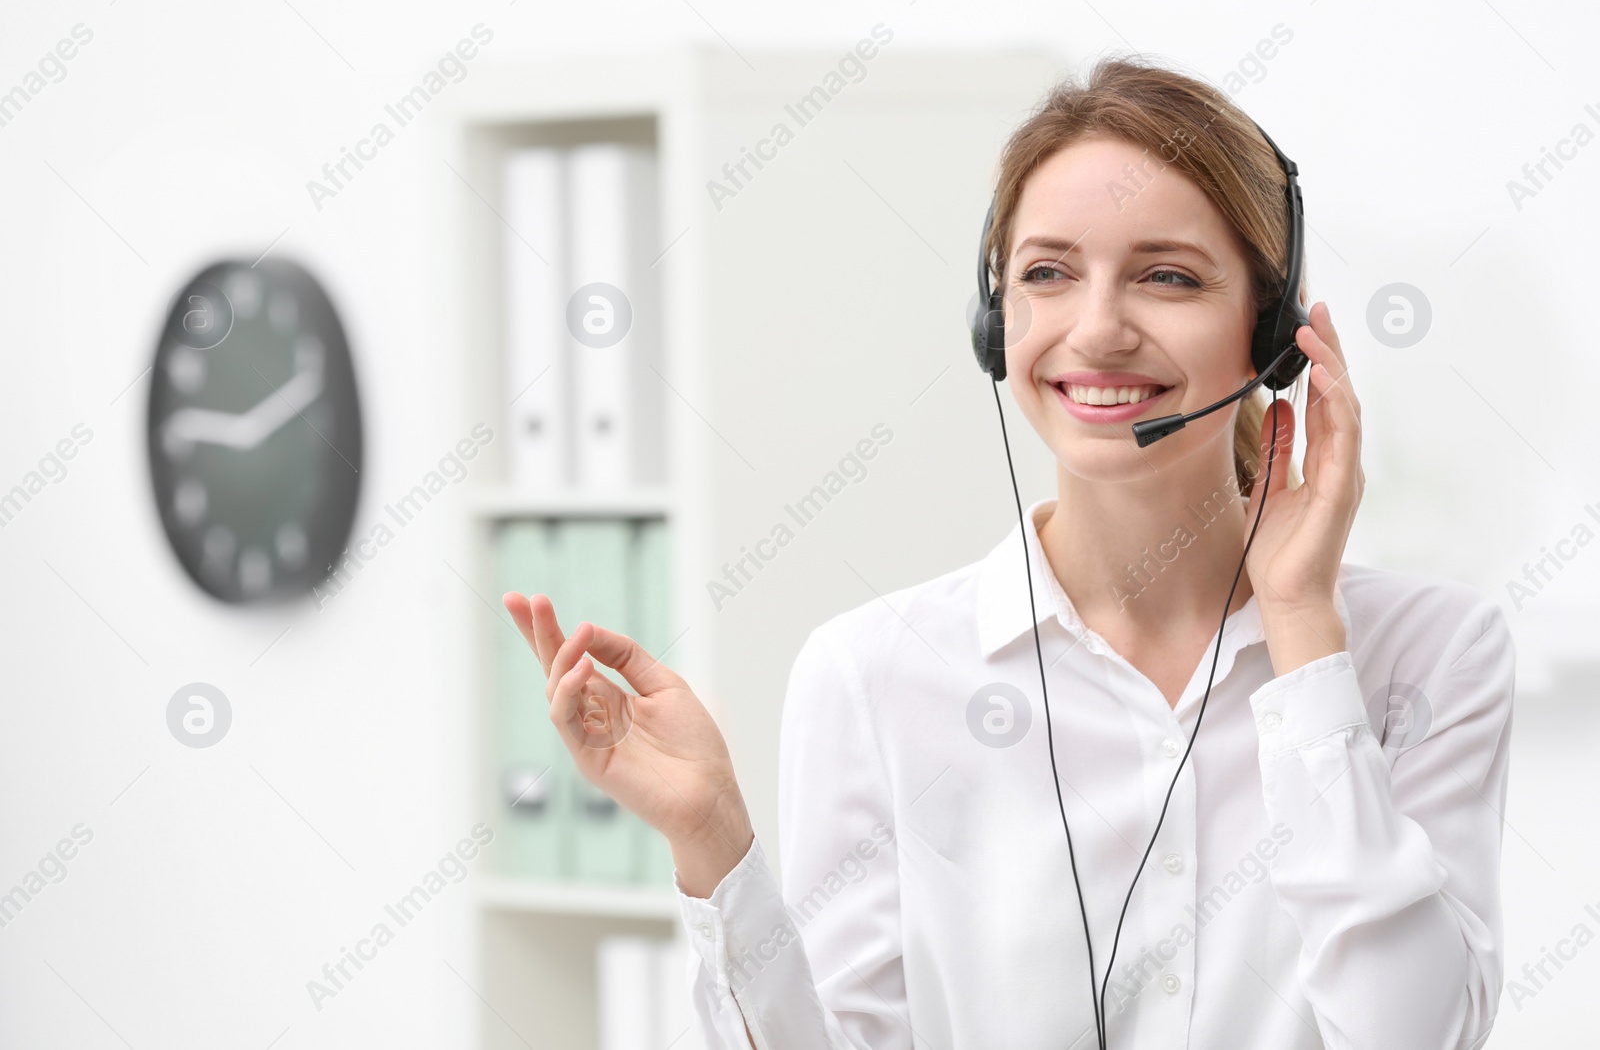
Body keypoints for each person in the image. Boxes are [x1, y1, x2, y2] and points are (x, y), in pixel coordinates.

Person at [502, 56, 1515, 1050]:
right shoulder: (871, 674)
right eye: (1047, 274)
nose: (1098, 327)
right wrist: (713, 839)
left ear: (1272, 329)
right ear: (997, 322)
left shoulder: (1430, 655)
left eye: (1166, 275)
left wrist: (1301, 633)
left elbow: (1410, 1031)